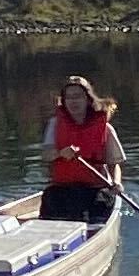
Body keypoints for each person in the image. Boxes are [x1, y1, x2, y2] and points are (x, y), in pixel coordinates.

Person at [39, 74, 126, 222]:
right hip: (62, 188)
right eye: (69, 97)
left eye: (78, 96)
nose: (73, 101)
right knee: (52, 200)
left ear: (88, 99)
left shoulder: (105, 128)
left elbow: (114, 163)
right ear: (64, 101)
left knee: (97, 210)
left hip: (95, 188)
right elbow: (46, 155)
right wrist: (61, 153)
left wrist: (117, 182)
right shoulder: (54, 125)